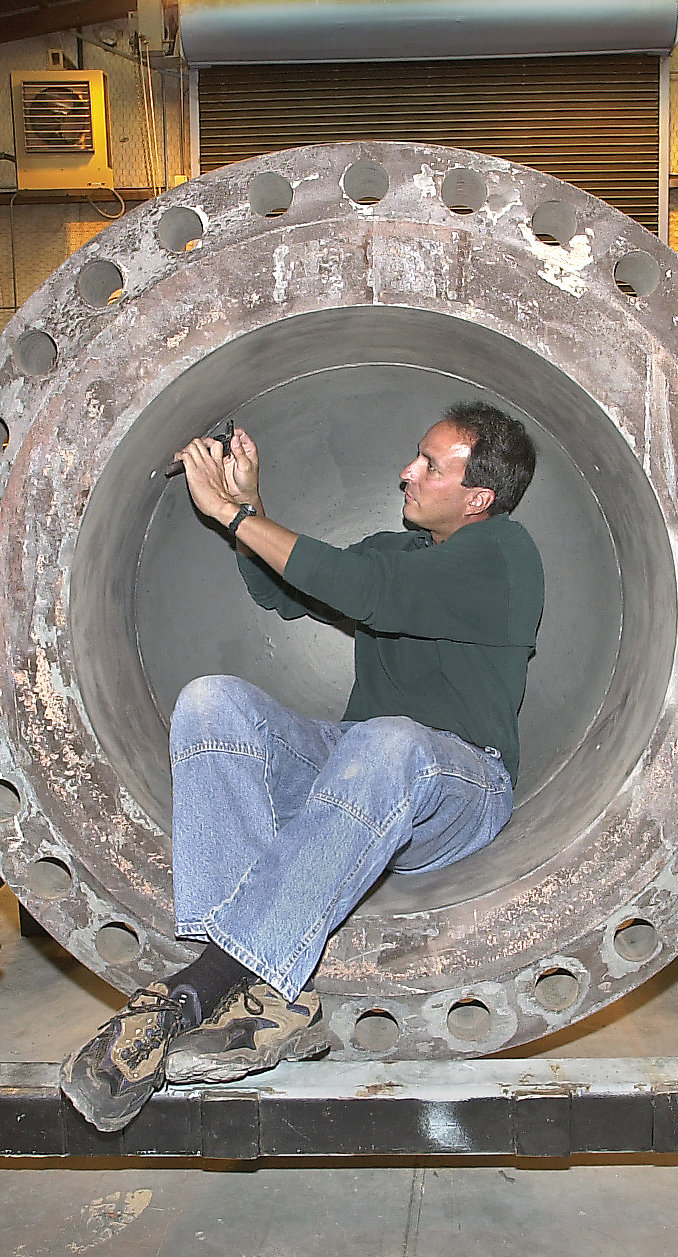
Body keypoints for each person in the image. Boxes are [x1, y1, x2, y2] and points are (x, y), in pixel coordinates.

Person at [61, 401, 545, 1132]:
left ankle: (202, 988)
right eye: (416, 456)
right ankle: (268, 1000)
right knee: (213, 704)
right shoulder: (399, 550)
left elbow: (366, 594)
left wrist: (230, 515)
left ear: (478, 498)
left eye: (430, 465)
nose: (407, 472)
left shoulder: (504, 553)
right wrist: (251, 505)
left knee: (391, 739)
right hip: (362, 777)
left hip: (461, 787)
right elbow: (288, 587)